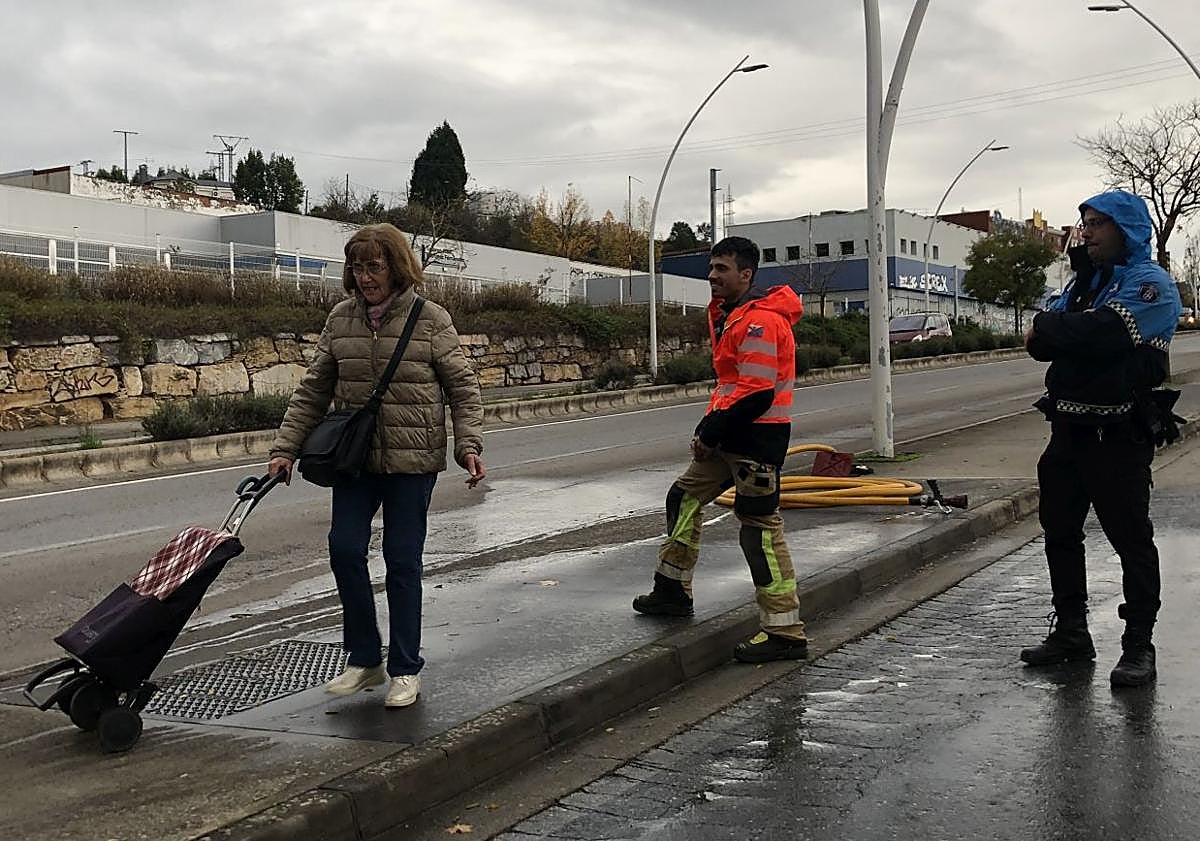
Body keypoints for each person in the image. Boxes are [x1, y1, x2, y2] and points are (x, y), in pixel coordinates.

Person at [267, 223, 485, 708]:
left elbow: (463, 389)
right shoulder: (341, 319)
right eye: (358, 267)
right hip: (356, 461)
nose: (365, 277)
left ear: (397, 267)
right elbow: (313, 390)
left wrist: (468, 445)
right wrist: (285, 449)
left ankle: (406, 668)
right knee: (344, 550)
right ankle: (366, 659)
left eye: (375, 266)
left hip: (412, 461)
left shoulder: (430, 319)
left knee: (401, 560)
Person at [1022, 190, 1181, 687]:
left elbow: (1103, 335)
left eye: (1098, 224)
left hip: (1118, 436)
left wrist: (1068, 332)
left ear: (1126, 229)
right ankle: (1071, 633)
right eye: (1085, 223)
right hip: (1067, 433)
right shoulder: (1085, 284)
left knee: (1131, 542)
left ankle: (1139, 646)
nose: (1086, 233)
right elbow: (1039, 340)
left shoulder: (1150, 283)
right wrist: (1070, 328)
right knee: (1059, 533)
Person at [633, 236, 807, 663]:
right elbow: (732, 387)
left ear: (745, 274)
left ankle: (784, 631)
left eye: (721, 269)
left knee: (759, 531)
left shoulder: (760, 321)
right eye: (711, 268)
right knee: (684, 497)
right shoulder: (733, 315)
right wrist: (710, 429)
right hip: (731, 435)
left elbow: (756, 394)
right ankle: (672, 590)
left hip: (755, 440)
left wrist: (709, 434)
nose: (712, 276)